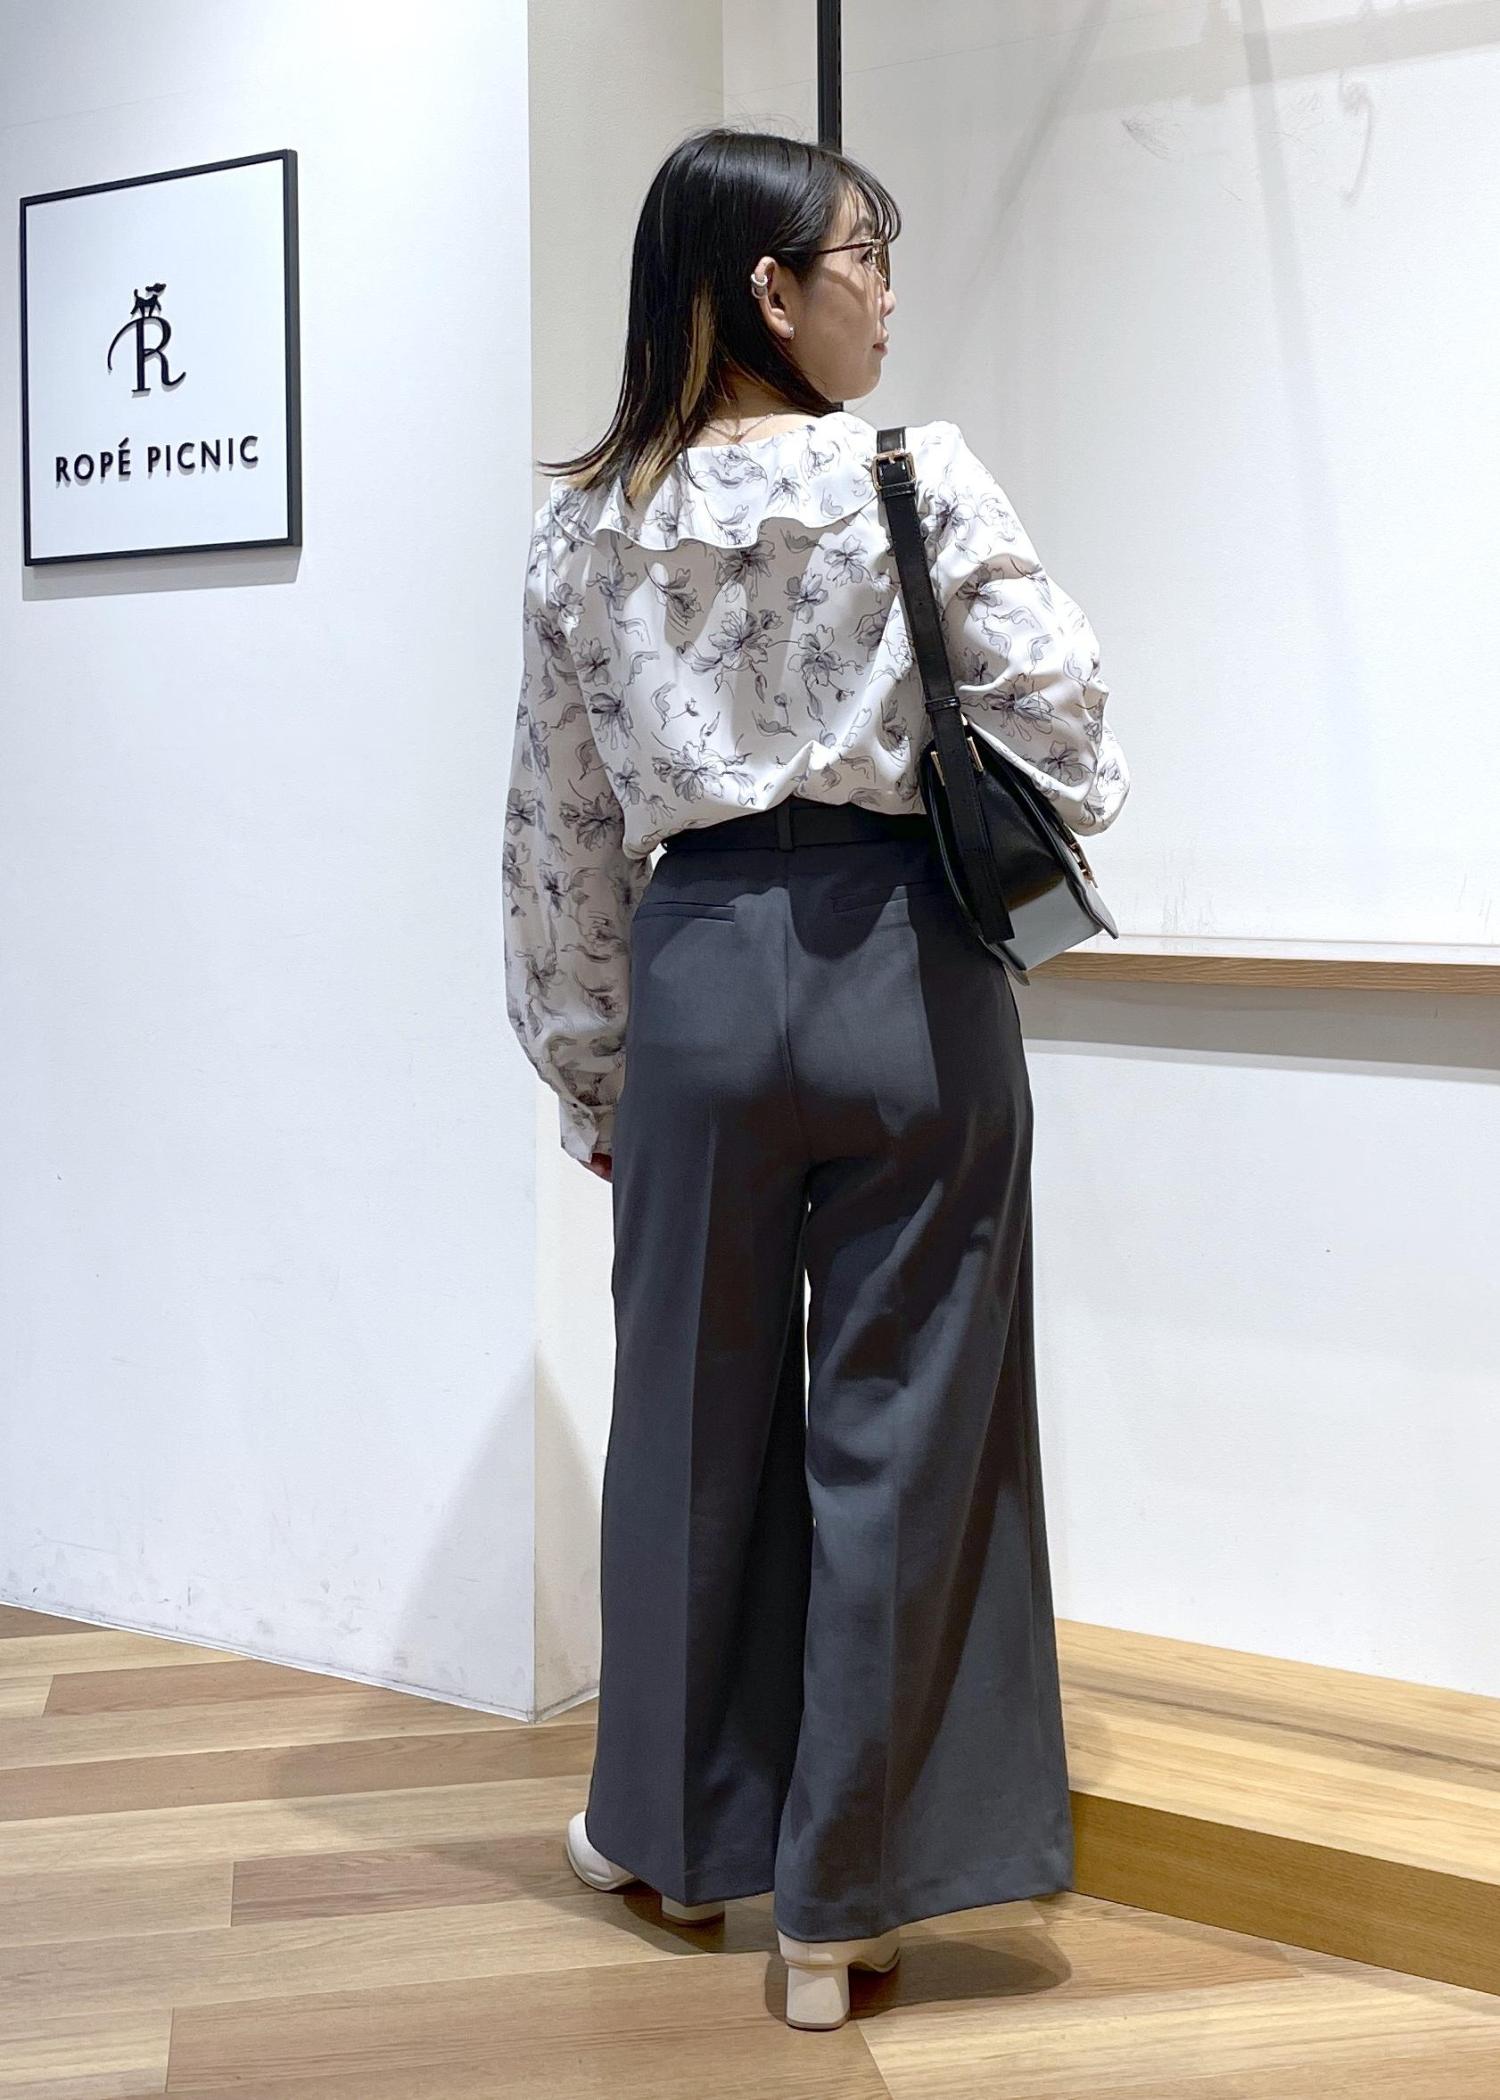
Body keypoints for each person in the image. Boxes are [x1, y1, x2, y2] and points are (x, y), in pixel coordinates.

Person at [502, 125, 1129, 2032]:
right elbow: (1073, 719)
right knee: (906, 1423)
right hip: (906, 975)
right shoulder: (910, 475)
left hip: (697, 976)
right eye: (865, 258)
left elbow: (559, 833)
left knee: (682, 1420)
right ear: (769, 290)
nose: (886, 295)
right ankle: (837, 1913)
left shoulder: (586, 529)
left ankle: (674, 1839)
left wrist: (592, 1070)